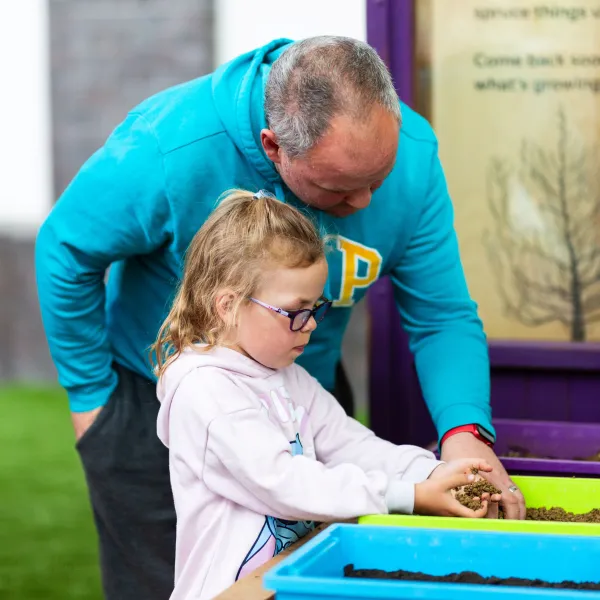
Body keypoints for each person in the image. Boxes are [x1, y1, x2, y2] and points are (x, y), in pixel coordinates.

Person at [35, 35, 525, 600]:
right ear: (273, 147)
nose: (364, 204)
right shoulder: (167, 145)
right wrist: (91, 401)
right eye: (339, 189)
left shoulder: (412, 153)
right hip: (150, 401)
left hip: (296, 385)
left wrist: (460, 444)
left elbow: (439, 316)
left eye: (378, 180)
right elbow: (66, 248)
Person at [152, 189, 500, 600]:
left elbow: (353, 446)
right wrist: (409, 495)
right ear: (228, 305)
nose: (312, 325)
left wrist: (434, 472)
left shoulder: (287, 376)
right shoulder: (204, 390)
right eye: (297, 311)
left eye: (317, 308)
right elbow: (283, 482)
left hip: (287, 576)